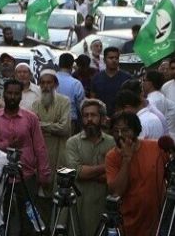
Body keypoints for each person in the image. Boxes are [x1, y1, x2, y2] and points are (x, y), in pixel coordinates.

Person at [0, 79, 51, 236]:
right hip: (0, 174)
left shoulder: (30, 118)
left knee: (29, 215)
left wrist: (44, 173)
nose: (12, 96)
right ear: (4, 94)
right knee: (2, 213)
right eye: (9, 93)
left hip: (26, 174)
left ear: (21, 96)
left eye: (16, 93)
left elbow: (40, 146)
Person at [106, 112, 167, 236]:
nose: (120, 135)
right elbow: (116, 192)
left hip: (157, 223)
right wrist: (126, 159)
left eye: (125, 130)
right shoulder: (111, 157)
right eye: (116, 131)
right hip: (127, 225)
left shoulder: (156, 148)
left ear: (136, 131)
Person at [64, 99, 115, 236]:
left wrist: (90, 171)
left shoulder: (111, 142)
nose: (89, 119)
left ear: (102, 118)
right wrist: (106, 166)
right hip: (79, 204)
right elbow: (78, 172)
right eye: (86, 116)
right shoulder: (73, 143)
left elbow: (113, 175)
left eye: (93, 115)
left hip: (102, 204)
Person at [29, 69, 71, 218]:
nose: (46, 86)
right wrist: (53, 125)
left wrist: (41, 125)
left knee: (60, 195)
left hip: (60, 152)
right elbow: (33, 130)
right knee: (40, 198)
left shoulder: (64, 101)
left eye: (49, 82)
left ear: (55, 84)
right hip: (41, 153)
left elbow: (65, 128)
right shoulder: (35, 104)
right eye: (43, 83)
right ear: (39, 85)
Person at [90, 47, 132, 116]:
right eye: (111, 58)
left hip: (121, 118)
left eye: (116, 58)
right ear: (104, 60)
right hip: (101, 118)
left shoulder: (127, 78)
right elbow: (93, 100)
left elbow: (131, 101)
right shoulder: (96, 78)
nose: (114, 60)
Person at [56, 53, 85, 134]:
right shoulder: (76, 83)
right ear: (72, 65)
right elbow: (81, 105)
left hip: (51, 121)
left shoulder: (50, 80)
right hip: (70, 121)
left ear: (59, 64)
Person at [143, 69, 175, 138]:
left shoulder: (150, 101)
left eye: (144, 80)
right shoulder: (161, 96)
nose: (142, 83)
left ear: (150, 83)